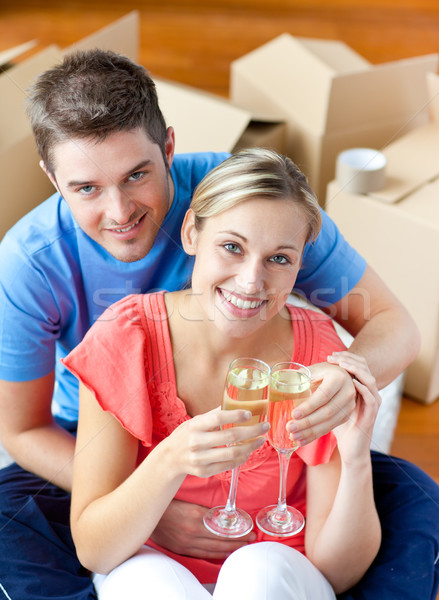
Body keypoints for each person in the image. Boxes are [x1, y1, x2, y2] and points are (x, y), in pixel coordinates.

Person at [0, 49, 439, 600]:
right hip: (91, 437)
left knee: (414, 502)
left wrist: (343, 384)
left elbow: (391, 324)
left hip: (264, 443)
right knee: (14, 526)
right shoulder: (29, 263)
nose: (118, 212)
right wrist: (153, 503)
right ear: (51, 178)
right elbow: (20, 430)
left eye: (137, 174)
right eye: (85, 188)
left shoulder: (253, 200)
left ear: (167, 148)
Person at [63, 148, 383, 599]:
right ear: (192, 232)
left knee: (258, 572)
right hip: (148, 560)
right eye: (232, 247)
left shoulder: (316, 357)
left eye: (279, 259)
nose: (252, 281)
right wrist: (172, 457)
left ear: (299, 265)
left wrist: (355, 456)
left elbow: (338, 572)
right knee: (148, 582)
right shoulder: (126, 337)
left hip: (278, 570)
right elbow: (95, 550)